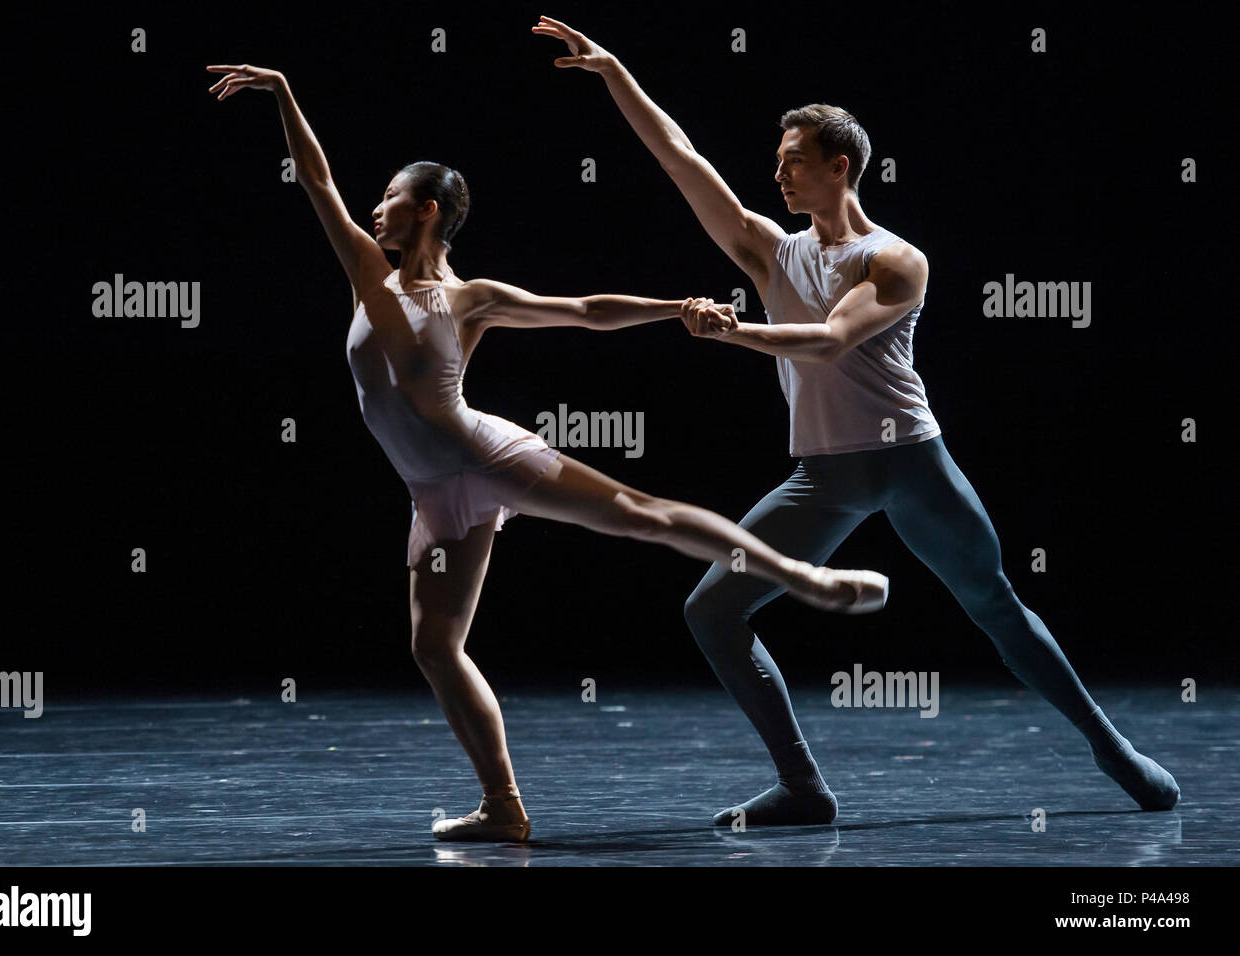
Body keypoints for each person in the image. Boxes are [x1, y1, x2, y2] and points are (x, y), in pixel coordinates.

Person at [207, 62, 890, 842]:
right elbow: (317, 181)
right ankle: (502, 807)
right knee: (434, 647)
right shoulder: (368, 273)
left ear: (426, 211)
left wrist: (675, 308)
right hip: (431, 492)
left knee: (642, 513)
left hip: (486, 454)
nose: (375, 207)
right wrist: (286, 91)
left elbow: (586, 311)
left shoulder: (471, 299)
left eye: (391, 197)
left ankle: (808, 579)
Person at [532, 15, 1180, 825]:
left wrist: (738, 332)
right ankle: (804, 786)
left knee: (995, 604)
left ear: (840, 167)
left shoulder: (896, 260)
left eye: (793, 163)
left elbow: (833, 339)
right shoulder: (770, 251)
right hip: (825, 475)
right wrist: (615, 71)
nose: (778, 177)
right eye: (775, 165)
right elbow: (680, 159)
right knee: (711, 610)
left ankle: (1110, 748)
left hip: (912, 463)